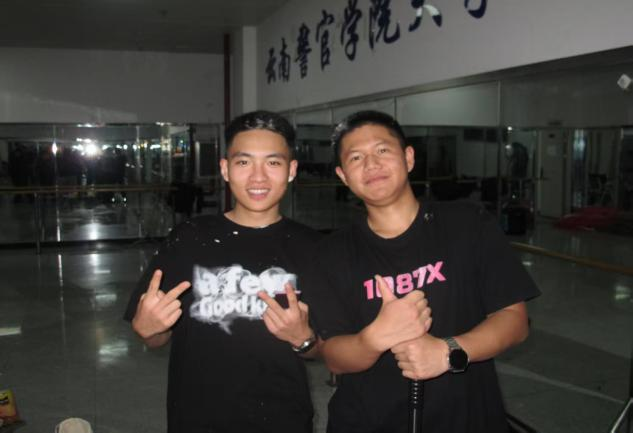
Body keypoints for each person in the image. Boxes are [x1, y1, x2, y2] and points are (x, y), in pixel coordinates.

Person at [302, 111, 541, 433]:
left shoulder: (467, 224)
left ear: (409, 157)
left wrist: (446, 352)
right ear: (343, 175)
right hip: (369, 420)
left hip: (468, 418)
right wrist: (374, 337)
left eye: (382, 150)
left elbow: (514, 320)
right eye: (356, 157)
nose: (371, 164)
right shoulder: (330, 253)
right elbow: (334, 356)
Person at [124, 110, 321, 433]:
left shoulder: (314, 248)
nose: (258, 178)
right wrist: (148, 330)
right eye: (244, 162)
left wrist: (303, 340)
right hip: (197, 419)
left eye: (273, 162)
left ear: (291, 170)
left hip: (284, 418)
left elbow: (325, 348)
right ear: (225, 169)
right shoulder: (188, 238)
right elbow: (155, 336)